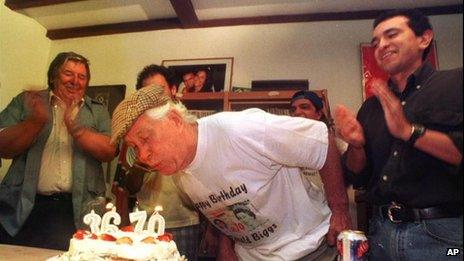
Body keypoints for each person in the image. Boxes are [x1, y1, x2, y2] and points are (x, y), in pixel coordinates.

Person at [110, 85, 352, 260]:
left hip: (311, 249)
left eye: (145, 139)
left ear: (173, 120)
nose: (142, 155)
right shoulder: (179, 174)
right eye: (135, 148)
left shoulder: (241, 130)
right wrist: (226, 245)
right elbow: (224, 204)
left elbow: (321, 141)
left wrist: (340, 210)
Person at [334, 9, 462, 260]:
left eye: (391, 35)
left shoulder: (455, 84)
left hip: (445, 237)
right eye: (375, 41)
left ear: (424, 39)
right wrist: (357, 147)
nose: (381, 45)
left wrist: (409, 131)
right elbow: (357, 177)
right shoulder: (371, 107)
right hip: (381, 232)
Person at [0, 52, 117, 250]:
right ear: (54, 76)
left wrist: (76, 129)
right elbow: (3, 147)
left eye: (82, 76)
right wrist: (35, 121)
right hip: (21, 206)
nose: (75, 81)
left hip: (75, 210)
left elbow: (109, 151)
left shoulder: (97, 110)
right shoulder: (27, 101)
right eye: (68, 74)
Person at [118, 64, 201, 260]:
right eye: (147, 93)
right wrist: (141, 164)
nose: (153, 98)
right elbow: (128, 187)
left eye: (159, 91)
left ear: (173, 90)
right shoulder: (135, 134)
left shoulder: (189, 126)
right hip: (146, 224)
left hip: (185, 221)